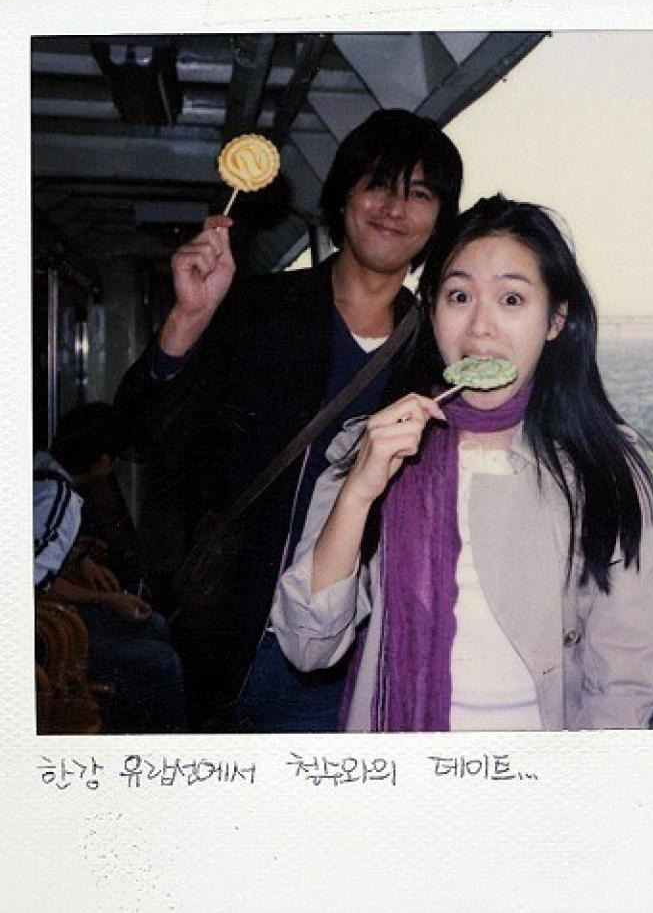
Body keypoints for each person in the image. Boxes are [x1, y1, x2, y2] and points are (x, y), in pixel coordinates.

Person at [114, 108, 463, 730]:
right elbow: (141, 435)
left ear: (439, 219)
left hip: (368, 644)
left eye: (419, 194)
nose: (394, 208)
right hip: (242, 638)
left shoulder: (435, 355)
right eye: (378, 184)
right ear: (344, 195)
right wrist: (188, 319)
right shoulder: (257, 309)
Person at [271, 194, 653, 731]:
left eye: (511, 299)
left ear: (555, 320)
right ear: (432, 310)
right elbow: (306, 646)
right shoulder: (366, 447)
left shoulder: (606, 468)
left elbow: (623, 678)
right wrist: (358, 492)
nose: (480, 328)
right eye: (459, 296)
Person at [34, 402, 186, 733]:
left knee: (155, 624)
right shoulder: (60, 499)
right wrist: (109, 599)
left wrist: (80, 560)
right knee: (163, 662)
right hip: (43, 637)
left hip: (47, 617)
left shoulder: (40, 468)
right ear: (102, 462)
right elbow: (34, 581)